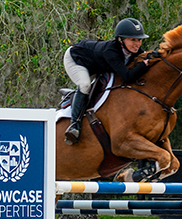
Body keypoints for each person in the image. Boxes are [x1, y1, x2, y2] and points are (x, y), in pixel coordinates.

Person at [63, 17, 150, 145]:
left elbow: (147, 56)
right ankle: (74, 125)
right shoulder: (111, 52)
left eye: (139, 40)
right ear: (121, 39)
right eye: (133, 40)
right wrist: (144, 65)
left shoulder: (133, 50)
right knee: (85, 84)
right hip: (76, 59)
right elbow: (128, 76)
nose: (137, 44)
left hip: (95, 64)